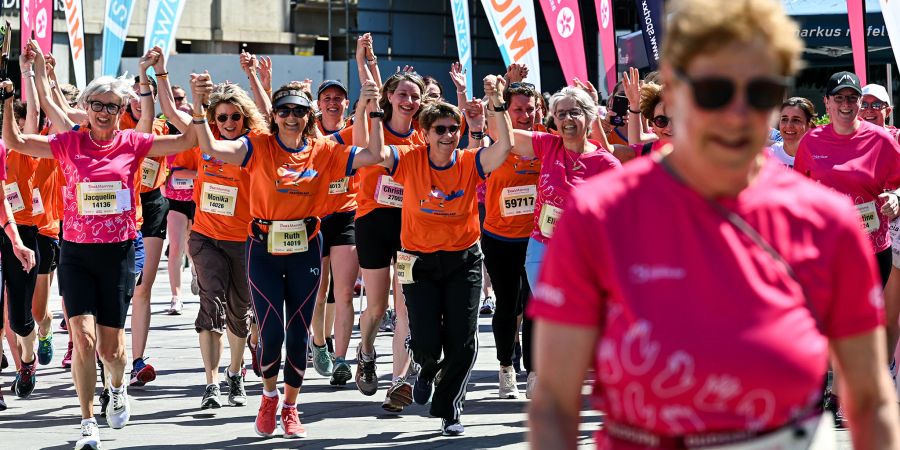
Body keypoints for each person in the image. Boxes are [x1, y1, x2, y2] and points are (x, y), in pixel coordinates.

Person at [528, 0, 900, 448]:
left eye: (757, 87)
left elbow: (871, 398)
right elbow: (553, 398)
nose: (735, 108)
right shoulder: (602, 214)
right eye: (714, 87)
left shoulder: (827, 225)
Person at [3, 44, 198, 449]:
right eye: (97, 104)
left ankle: (118, 386)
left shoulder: (132, 142)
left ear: (120, 108)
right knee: (84, 340)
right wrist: (12, 94)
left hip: (118, 253)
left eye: (111, 106)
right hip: (75, 253)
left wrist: (163, 79)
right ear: (87, 106)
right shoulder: (69, 144)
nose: (104, 112)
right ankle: (88, 419)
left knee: (113, 350)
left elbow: (187, 140)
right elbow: (17, 141)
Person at [191, 73, 386, 439]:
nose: (291, 117)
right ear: (275, 115)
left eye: (298, 110)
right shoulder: (258, 144)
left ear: (307, 116)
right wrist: (201, 112)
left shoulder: (323, 149)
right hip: (263, 246)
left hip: (304, 246)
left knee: (298, 332)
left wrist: (373, 111)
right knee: (271, 330)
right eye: (284, 111)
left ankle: (291, 407)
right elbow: (216, 150)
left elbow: (374, 154)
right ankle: (268, 396)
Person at [362, 74, 514, 435]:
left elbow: (504, 147)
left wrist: (497, 101)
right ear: (426, 133)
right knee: (427, 338)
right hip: (417, 261)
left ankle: (450, 409)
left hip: (464, 260)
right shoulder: (409, 160)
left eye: (453, 129)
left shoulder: (469, 162)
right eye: (440, 130)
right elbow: (377, 152)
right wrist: (370, 111)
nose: (448, 135)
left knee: (462, 341)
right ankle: (426, 367)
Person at [148, 46, 256, 410]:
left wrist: (258, 77)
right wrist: (162, 74)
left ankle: (236, 374)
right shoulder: (204, 138)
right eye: (221, 116)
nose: (227, 122)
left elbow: (276, 121)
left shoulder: (255, 146)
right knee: (210, 304)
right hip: (206, 237)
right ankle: (210, 383)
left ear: (244, 119)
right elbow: (172, 113)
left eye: (234, 117)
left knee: (239, 313)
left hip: (244, 240)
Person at [511, 84, 621, 397]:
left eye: (575, 112)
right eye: (561, 114)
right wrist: (495, 102)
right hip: (542, 249)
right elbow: (502, 136)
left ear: (588, 117)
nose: (567, 118)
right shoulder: (548, 146)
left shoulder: (606, 164)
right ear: (554, 120)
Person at [480, 80, 542, 399]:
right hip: (500, 237)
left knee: (534, 306)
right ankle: (506, 368)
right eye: (518, 109)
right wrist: (495, 97)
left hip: (536, 239)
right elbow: (494, 119)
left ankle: (533, 371)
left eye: (530, 109)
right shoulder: (500, 141)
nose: (525, 114)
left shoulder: (544, 141)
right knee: (507, 305)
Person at [771, 97, 815, 168]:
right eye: (784, 119)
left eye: (796, 120)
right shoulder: (768, 156)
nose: (789, 125)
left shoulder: (820, 157)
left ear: (809, 124)